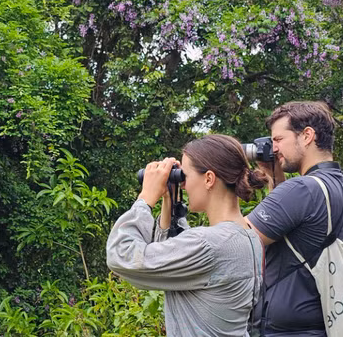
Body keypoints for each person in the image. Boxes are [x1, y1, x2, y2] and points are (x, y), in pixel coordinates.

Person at [106, 134, 267, 336]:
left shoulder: (210, 244)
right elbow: (173, 263)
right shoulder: (248, 237)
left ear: (209, 178)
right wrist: (169, 200)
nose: (183, 184)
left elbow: (122, 256)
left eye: (185, 176)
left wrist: (145, 198)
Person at [245, 101, 343, 336]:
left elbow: (237, 240)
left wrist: (221, 179)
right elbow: (301, 235)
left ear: (307, 135)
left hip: (290, 330)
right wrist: (274, 178)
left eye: (278, 140)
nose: (274, 148)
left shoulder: (302, 189)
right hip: (328, 321)